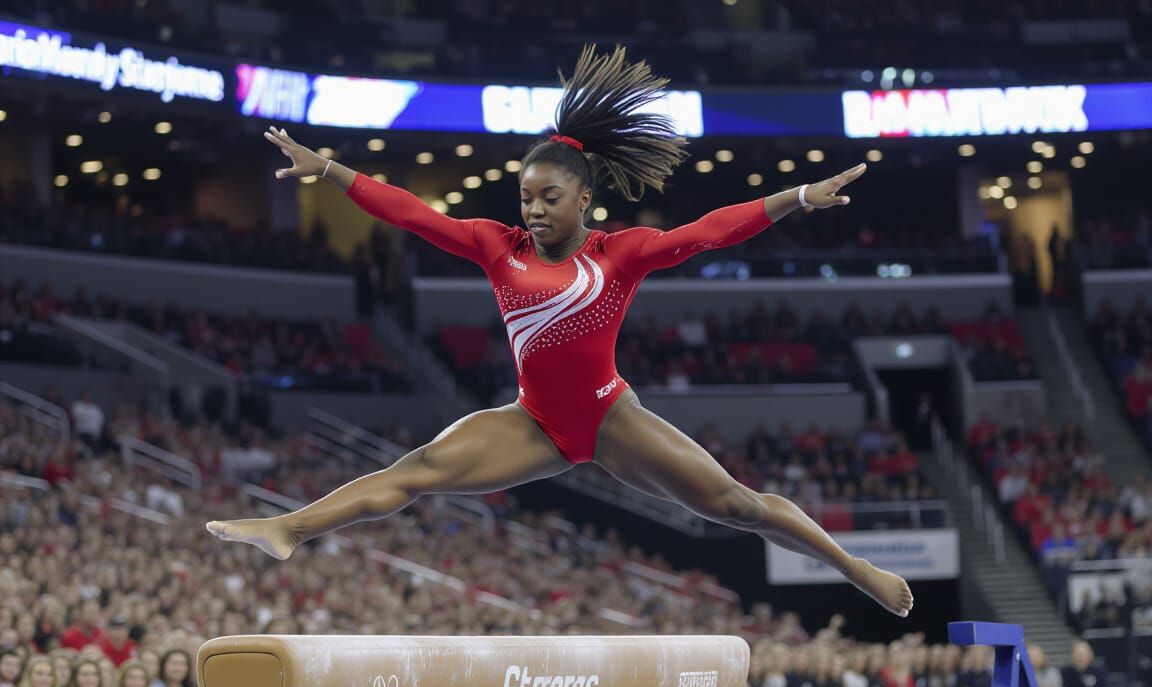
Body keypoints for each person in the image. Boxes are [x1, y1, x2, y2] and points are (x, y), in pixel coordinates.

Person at [207, 45, 913, 621]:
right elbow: (412, 215)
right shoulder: (496, 245)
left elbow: (708, 232)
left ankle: (854, 567)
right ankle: (290, 528)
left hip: (611, 418)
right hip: (534, 423)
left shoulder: (619, 255)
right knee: (417, 470)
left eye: (550, 198)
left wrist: (795, 197)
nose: (535, 210)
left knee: (738, 505)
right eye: (526, 198)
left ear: (585, 198)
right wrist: (330, 169)